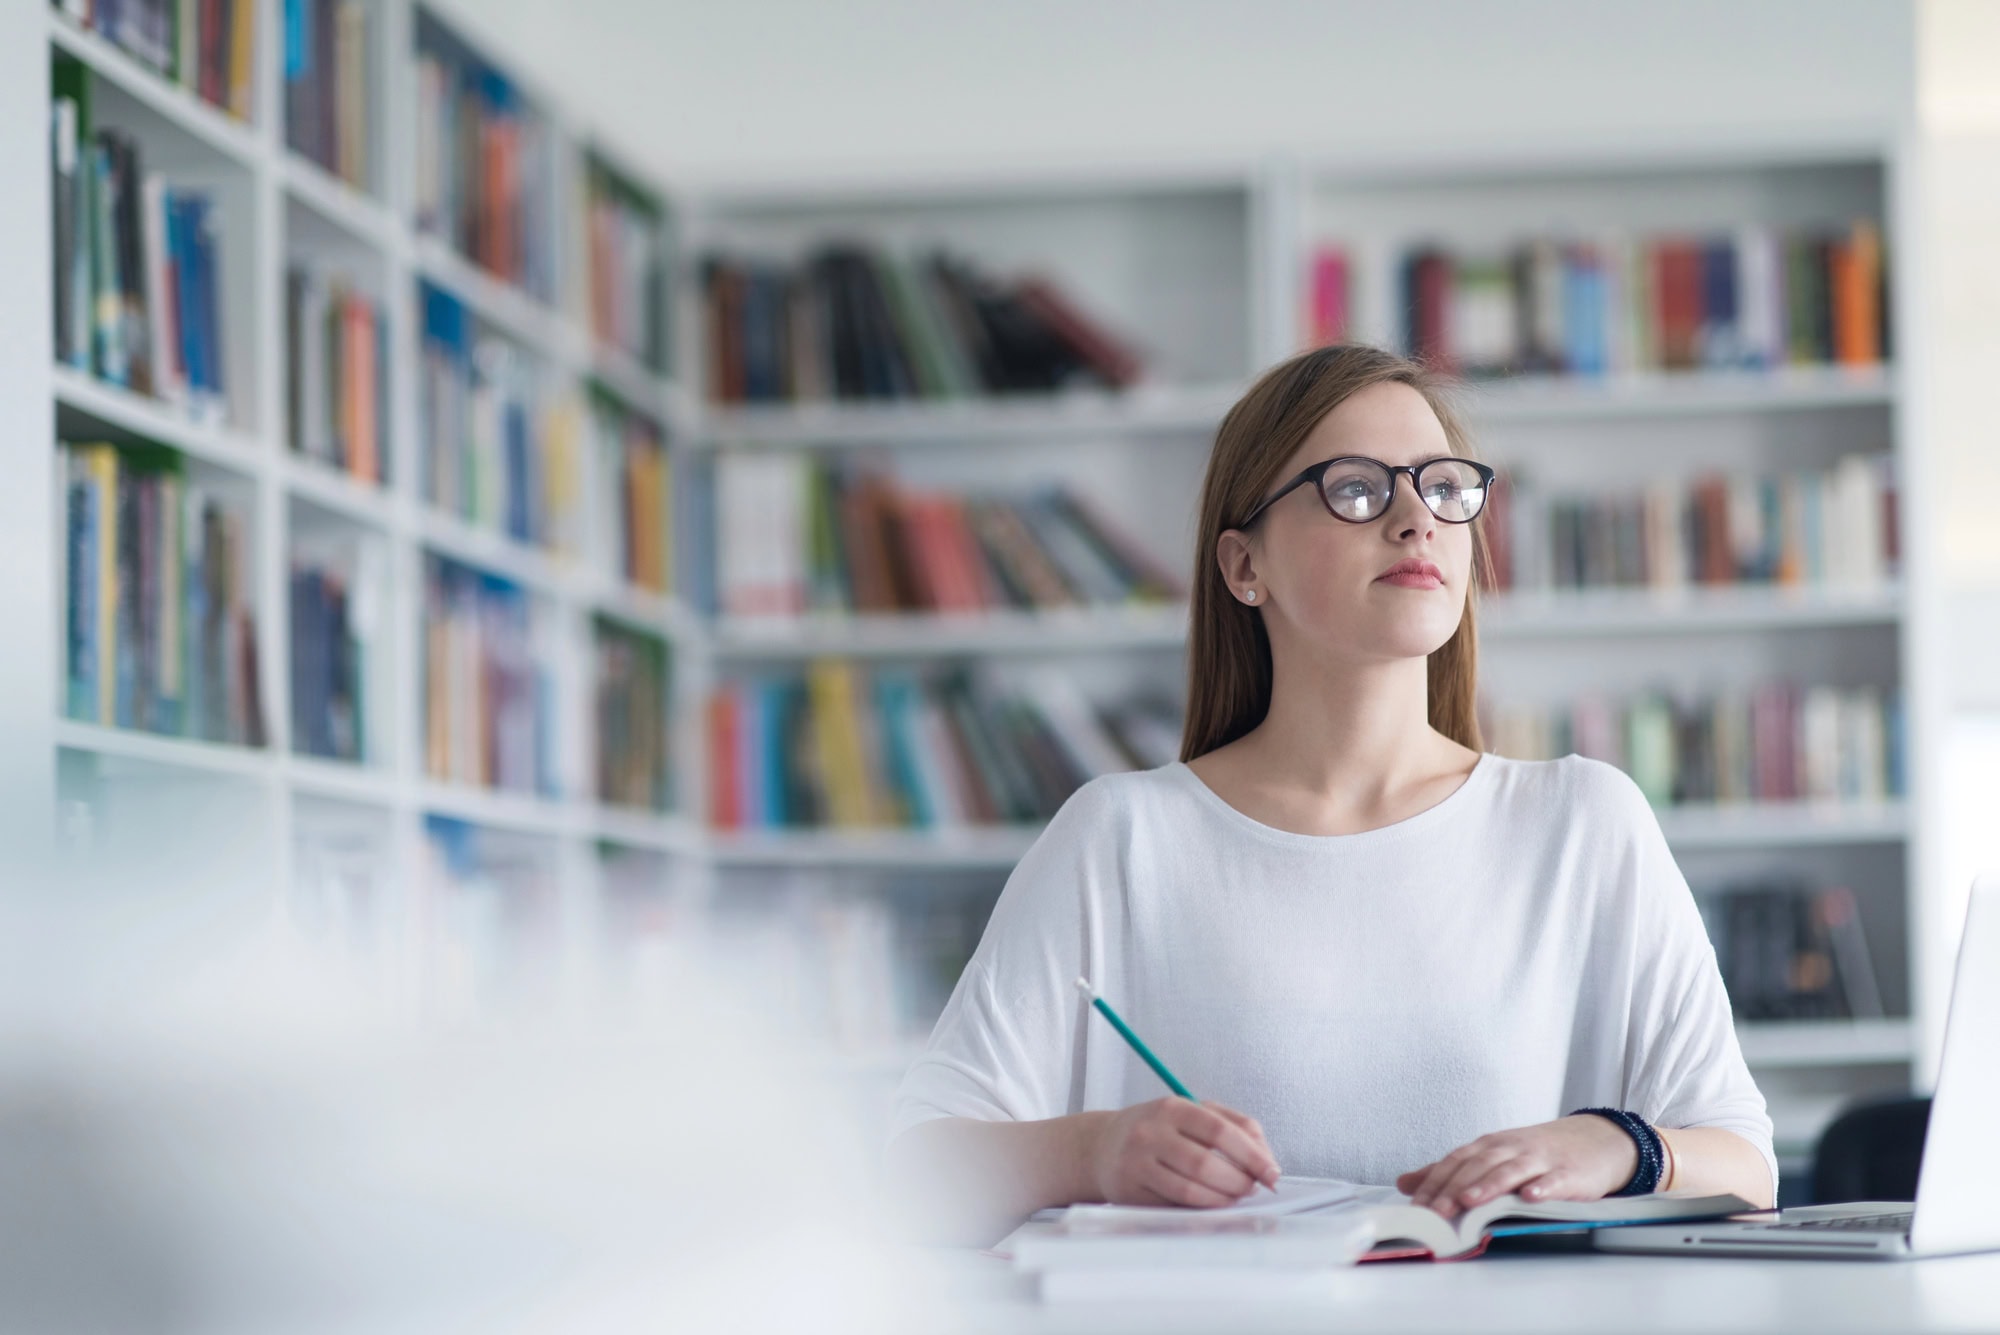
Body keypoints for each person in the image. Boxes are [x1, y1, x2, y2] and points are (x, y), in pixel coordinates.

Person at [881, 344, 1777, 1247]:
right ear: (1243, 565)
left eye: (1444, 487)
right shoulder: (1120, 838)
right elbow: (909, 1172)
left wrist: (1616, 1144)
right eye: (1355, 488)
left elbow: (1747, 1165)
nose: (1415, 518)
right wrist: (1094, 1149)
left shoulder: (1585, 822)